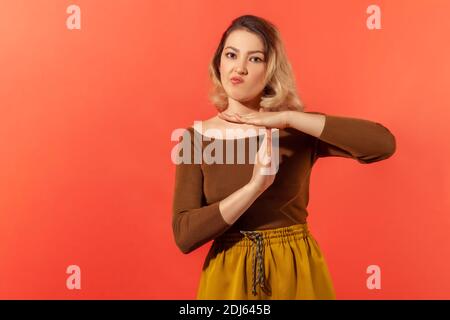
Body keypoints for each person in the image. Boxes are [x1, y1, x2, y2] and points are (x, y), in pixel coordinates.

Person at [171, 15, 396, 300]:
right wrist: (255, 187)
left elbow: (382, 144)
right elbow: (184, 235)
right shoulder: (195, 137)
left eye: (255, 59)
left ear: (271, 71)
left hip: (295, 270)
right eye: (231, 55)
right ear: (219, 62)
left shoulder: (294, 129)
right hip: (228, 277)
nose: (239, 67)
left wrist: (289, 117)